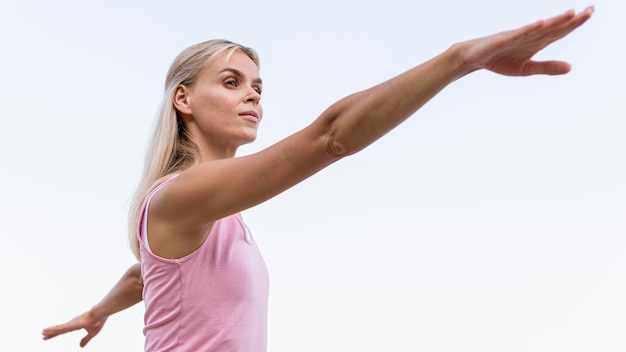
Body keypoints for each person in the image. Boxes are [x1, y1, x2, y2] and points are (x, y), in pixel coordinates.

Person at [42, 7, 594, 351]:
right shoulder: (182, 195)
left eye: (257, 84)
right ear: (183, 99)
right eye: (231, 82)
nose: (253, 94)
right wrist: (458, 60)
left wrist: (97, 312)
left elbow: (145, 277)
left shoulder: (203, 212)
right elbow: (330, 137)